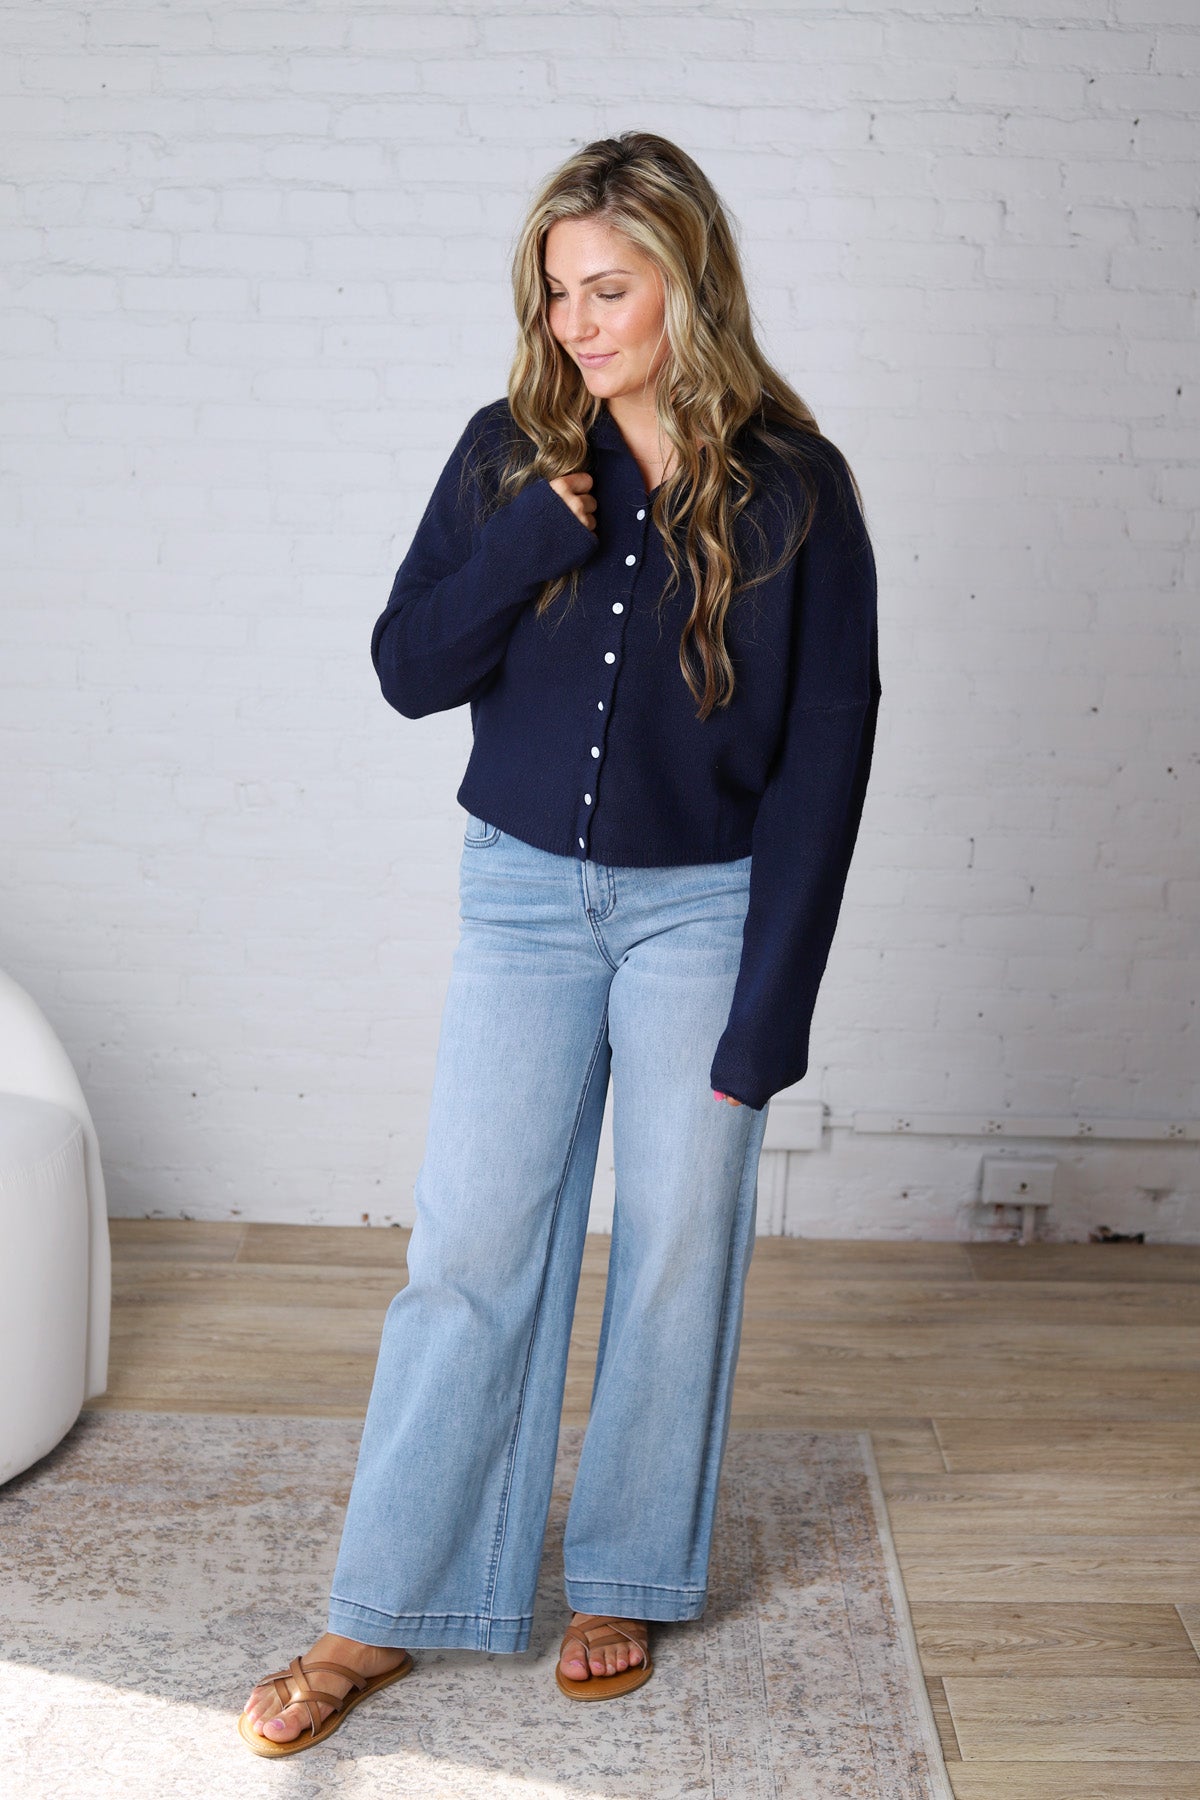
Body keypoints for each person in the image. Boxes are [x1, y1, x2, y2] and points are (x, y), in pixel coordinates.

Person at [238, 129, 881, 1757]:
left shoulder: (796, 489)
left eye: (611, 289)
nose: (578, 325)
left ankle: (626, 1575)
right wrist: (528, 540)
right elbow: (406, 669)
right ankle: (387, 1603)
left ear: (688, 283)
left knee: (675, 1250)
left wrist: (772, 1010)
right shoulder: (504, 454)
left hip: (706, 913)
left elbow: (827, 754)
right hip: (522, 899)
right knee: (468, 1252)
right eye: (558, 294)